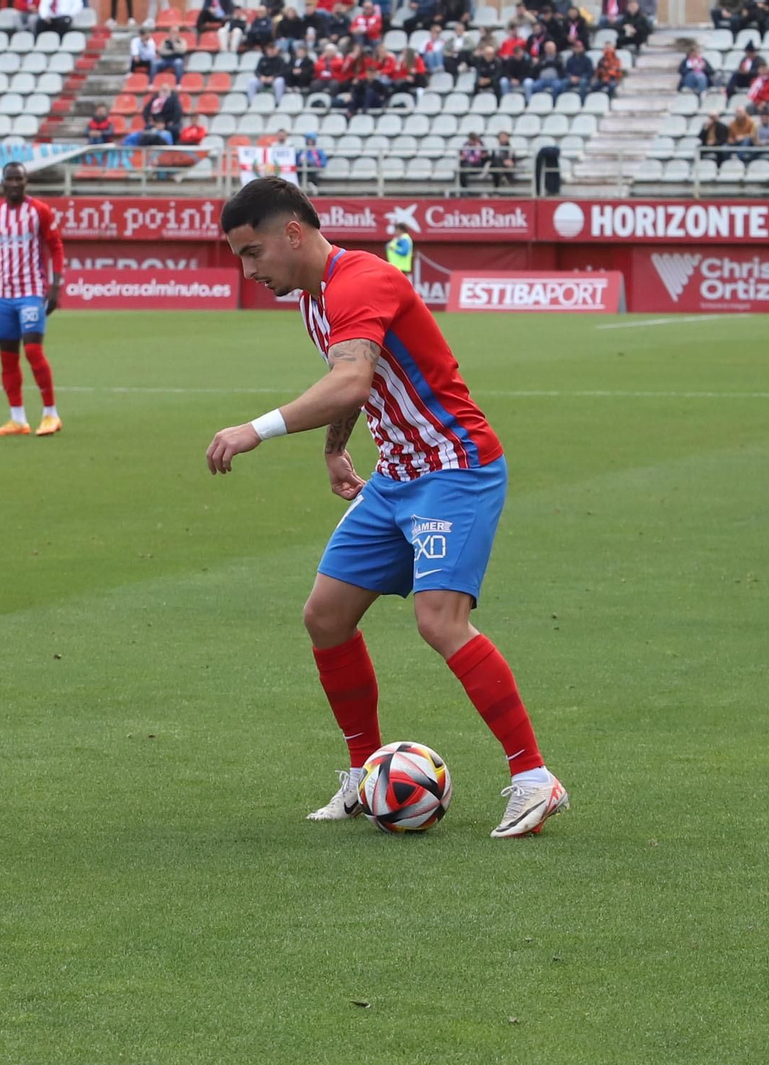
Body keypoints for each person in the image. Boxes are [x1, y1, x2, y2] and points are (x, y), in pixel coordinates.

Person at [206, 178, 567, 837]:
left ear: (292, 232)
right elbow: (354, 390)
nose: (248, 269)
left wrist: (254, 429)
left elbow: (351, 376)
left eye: (252, 252)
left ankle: (534, 778)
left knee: (439, 620)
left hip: (453, 469)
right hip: (396, 479)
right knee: (325, 616)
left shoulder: (359, 279)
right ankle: (360, 774)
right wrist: (336, 452)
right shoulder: (314, 300)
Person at [0, 162, 65, 438]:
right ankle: (17, 419)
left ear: (25, 182)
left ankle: (51, 414)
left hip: (32, 292)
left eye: (20, 178)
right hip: (4, 296)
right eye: (11, 179)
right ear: (3, 182)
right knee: (7, 357)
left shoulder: (39, 211)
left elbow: (56, 246)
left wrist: (56, 285)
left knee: (32, 351)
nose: (15, 183)